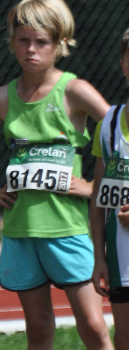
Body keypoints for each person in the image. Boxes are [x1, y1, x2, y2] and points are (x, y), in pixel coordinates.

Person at [0, 0, 113, 349]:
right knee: (39, 327)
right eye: (22, 39)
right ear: (12, 41)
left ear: (61, 43)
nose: (31, 49)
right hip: (22, 229)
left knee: (93, 325)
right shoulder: (1, 98)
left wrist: (94, 187)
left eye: (41, 41)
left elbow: (119, 138)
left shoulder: (75, 91)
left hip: (70, 228)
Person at [91, 27, 129, 350]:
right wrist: (98, 255)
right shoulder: (109, 124)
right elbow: (99, 198)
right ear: (123, 64)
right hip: (121, 259)